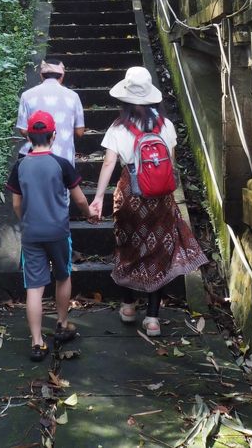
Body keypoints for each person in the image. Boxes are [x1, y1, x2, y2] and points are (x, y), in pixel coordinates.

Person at [89, 66, 207, 337]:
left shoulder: (119, 127)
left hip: (131, 196)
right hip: (161, 198)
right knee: (159, 252)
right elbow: (171, 162)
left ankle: (129, 306)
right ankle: (152, 319)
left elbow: (109, 162)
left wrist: (97, 198)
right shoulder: (165, 125)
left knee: (129, 247)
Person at [6, 110, 95, 361]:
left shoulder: (21, 165)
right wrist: (89, 213)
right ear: (53, 135)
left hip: (31, 232)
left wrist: (25, 221)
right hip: (58, 231)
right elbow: (79, 199)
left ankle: (37, 342)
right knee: (63, 275)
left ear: (29, 137)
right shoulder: (61, 164)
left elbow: (15, 204)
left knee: (34, 287)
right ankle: (62, 324)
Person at [16, 59, 85, 165]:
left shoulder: (27, 95)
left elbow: (23, 130)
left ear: (41, 75)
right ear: (62, 76)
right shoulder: (73, 96)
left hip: (35, 157)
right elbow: (80, 132)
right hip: (64, 158)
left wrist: (38, 136)